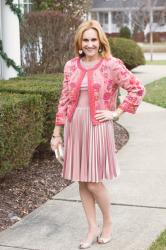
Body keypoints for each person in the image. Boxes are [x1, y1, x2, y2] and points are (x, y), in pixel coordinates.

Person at [50, 20, 145, 249]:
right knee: (82, 181)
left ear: (101, 42)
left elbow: (137, 88)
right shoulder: (71, 66)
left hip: (97, 127)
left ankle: (108, 223)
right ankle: (92, 227)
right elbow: (64, 100)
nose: (90, 44)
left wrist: (117, 113)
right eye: (86, 40)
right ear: (79, 43)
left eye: (94, 39)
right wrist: (57, 133)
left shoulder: (111, 65)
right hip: (75, 127)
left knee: (93, 182)